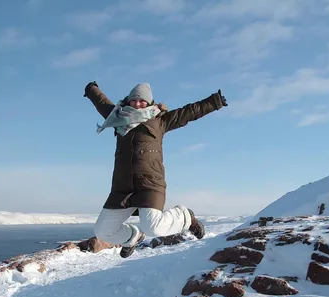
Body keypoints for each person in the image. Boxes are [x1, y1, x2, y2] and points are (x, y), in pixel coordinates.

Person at [84, 81, 227, 258]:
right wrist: (91, 89)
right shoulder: (117, 117)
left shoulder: (160, 121)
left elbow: (188, 112)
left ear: (150, 103)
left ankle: (185, 217)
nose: (137, 104)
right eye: (134, 100)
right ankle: (132, 237)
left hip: (150, 182)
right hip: (122, 187)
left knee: (153, 226)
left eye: (142, 101)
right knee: (102, 230)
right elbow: (101, 102)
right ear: (128, 101)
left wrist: (214, 102)